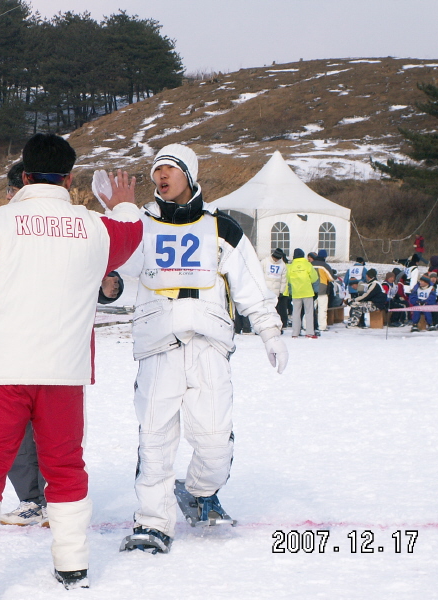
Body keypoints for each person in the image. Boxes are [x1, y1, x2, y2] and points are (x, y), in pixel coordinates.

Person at [0, 133, 143, 598]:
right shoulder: (94, 229)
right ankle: (73, 567)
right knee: (66, 467)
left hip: (5, 372)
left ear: (24, 176)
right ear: (70, 178)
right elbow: (130, 233)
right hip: (65, 374)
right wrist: (123, 203)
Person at [116, 144, 287, 556]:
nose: (162, 176)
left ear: (190, 175)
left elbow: (249, 285)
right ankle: (152, 523)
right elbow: (118, 274)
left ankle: (198, 492)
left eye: (171, 169)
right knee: (155, 442)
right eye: (157, 169)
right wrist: (110, 280)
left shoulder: (221, 228)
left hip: (210, 347)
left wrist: (270, 331)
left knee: (214, 442)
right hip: (158, 347)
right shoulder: (140, 225)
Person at [0, 160, 126, 528]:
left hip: (61, 353)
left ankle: (61, 502)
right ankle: (32, 500)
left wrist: (109, 286)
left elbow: (101, 269)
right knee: (17, 438)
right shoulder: (2, 229)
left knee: (57, 437)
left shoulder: (70, 226)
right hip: (13, 351)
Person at [287, 249, 318, 338]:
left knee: (296, 313)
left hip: (296, 292)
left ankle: (295, 333)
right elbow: (314, 277)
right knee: (309, 312)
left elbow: (288, 279)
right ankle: (309, 332)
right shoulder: (307, 265)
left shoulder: (291, 266)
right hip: (307, 291)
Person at [261, 248, 289, 332]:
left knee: (275, 312)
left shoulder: (282, 265)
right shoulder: (265, 262)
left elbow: (284, 280)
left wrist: (281, 291)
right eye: (275, 258)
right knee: (264, 310)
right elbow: (259, 275)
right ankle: (264, 327)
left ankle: (275, 327)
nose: (276, 260)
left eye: (277, 258)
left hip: (275, 293)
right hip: (265, 290)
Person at [308, 251, 334, 332]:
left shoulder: (310, 264)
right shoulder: (325, 265)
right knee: (322, 309)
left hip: (311, 289)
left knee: (309, 309)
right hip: (322, 289)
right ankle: (322, 326)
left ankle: (306, 325)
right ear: (325, 257)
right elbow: (331, 278)